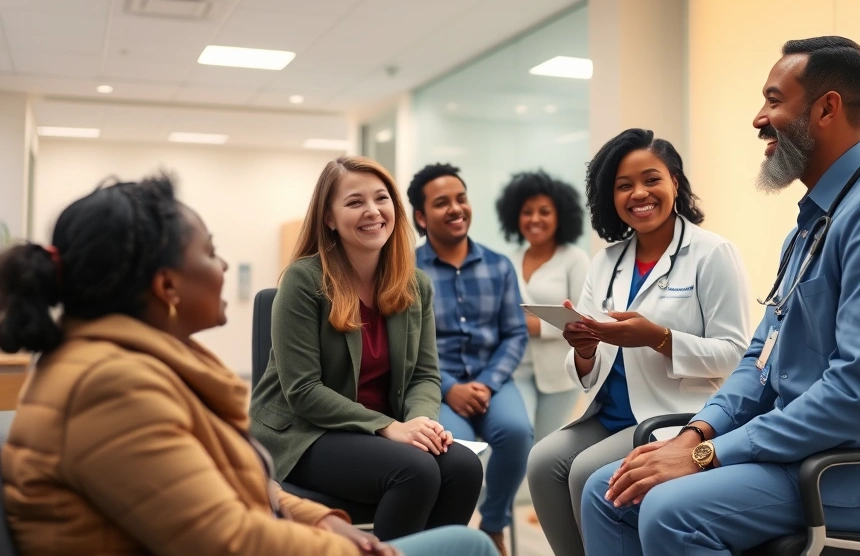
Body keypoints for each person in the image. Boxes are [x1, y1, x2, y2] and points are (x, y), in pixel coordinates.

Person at [580, 36, 860, 556]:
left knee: (670, 510)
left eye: (773, 100)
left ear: (826, 109)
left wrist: (706, 457)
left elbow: (857, 398)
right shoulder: (813, 226)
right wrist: (698, 433)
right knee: (608, 492)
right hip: (812, 451)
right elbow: (759, 361)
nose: (759, 119)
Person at [0, 175, 498, 556]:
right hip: (300, 464)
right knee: (470, 544)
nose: (222, 267)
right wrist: (354, 549)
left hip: (285, 519)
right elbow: (227, 539)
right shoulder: (111, 387)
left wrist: (319, 519)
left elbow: (233, 488)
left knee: (456, 480)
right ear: (167, 286)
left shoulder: (140, 366)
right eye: (210, 252)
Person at [525, 129, 751, 556]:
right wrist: (585, 347)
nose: (639, 194)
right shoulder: (606, 261)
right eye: (624, 185)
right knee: (542, 461)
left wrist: (658, 338)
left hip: (672, 415)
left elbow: (735, 356)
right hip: (608, 415)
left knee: (585, 473)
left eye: (651, 179)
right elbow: (586, 370)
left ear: (675, 183)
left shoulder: (712, 253)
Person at [249, 157, 482, 541]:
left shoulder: (415, 285)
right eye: (355, 202)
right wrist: (390, 428)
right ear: (329, 218)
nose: (372, 211)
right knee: (416, 471)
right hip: (304, 433)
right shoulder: (303, 281)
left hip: (383, 431)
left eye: (381, 198)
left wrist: (421, 424)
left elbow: (425, 374)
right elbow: (303, 391)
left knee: (464, 468)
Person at [408, 163, 533, 556]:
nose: (456, 208)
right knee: (456, 450)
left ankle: (493, 525)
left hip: (492, 380)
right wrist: (451, 389)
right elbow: (408, 346)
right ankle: (454, 539)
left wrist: (488, 383)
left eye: (461, 198)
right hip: (435, 384)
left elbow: (515, 333)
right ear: (421, 217)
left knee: (517, 433)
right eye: (441, 203)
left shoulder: (499, 265)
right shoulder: (406, 271)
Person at [495, 170, 588, 444]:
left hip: (561, 375)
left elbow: (586, 321)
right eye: (527, 212)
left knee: (545, 445)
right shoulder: (508, 261)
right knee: (517, 436)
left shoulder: (575, 260)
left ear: (560, 216)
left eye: (544, 211)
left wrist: (533, 326)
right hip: (515, 370)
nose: (535, 219)